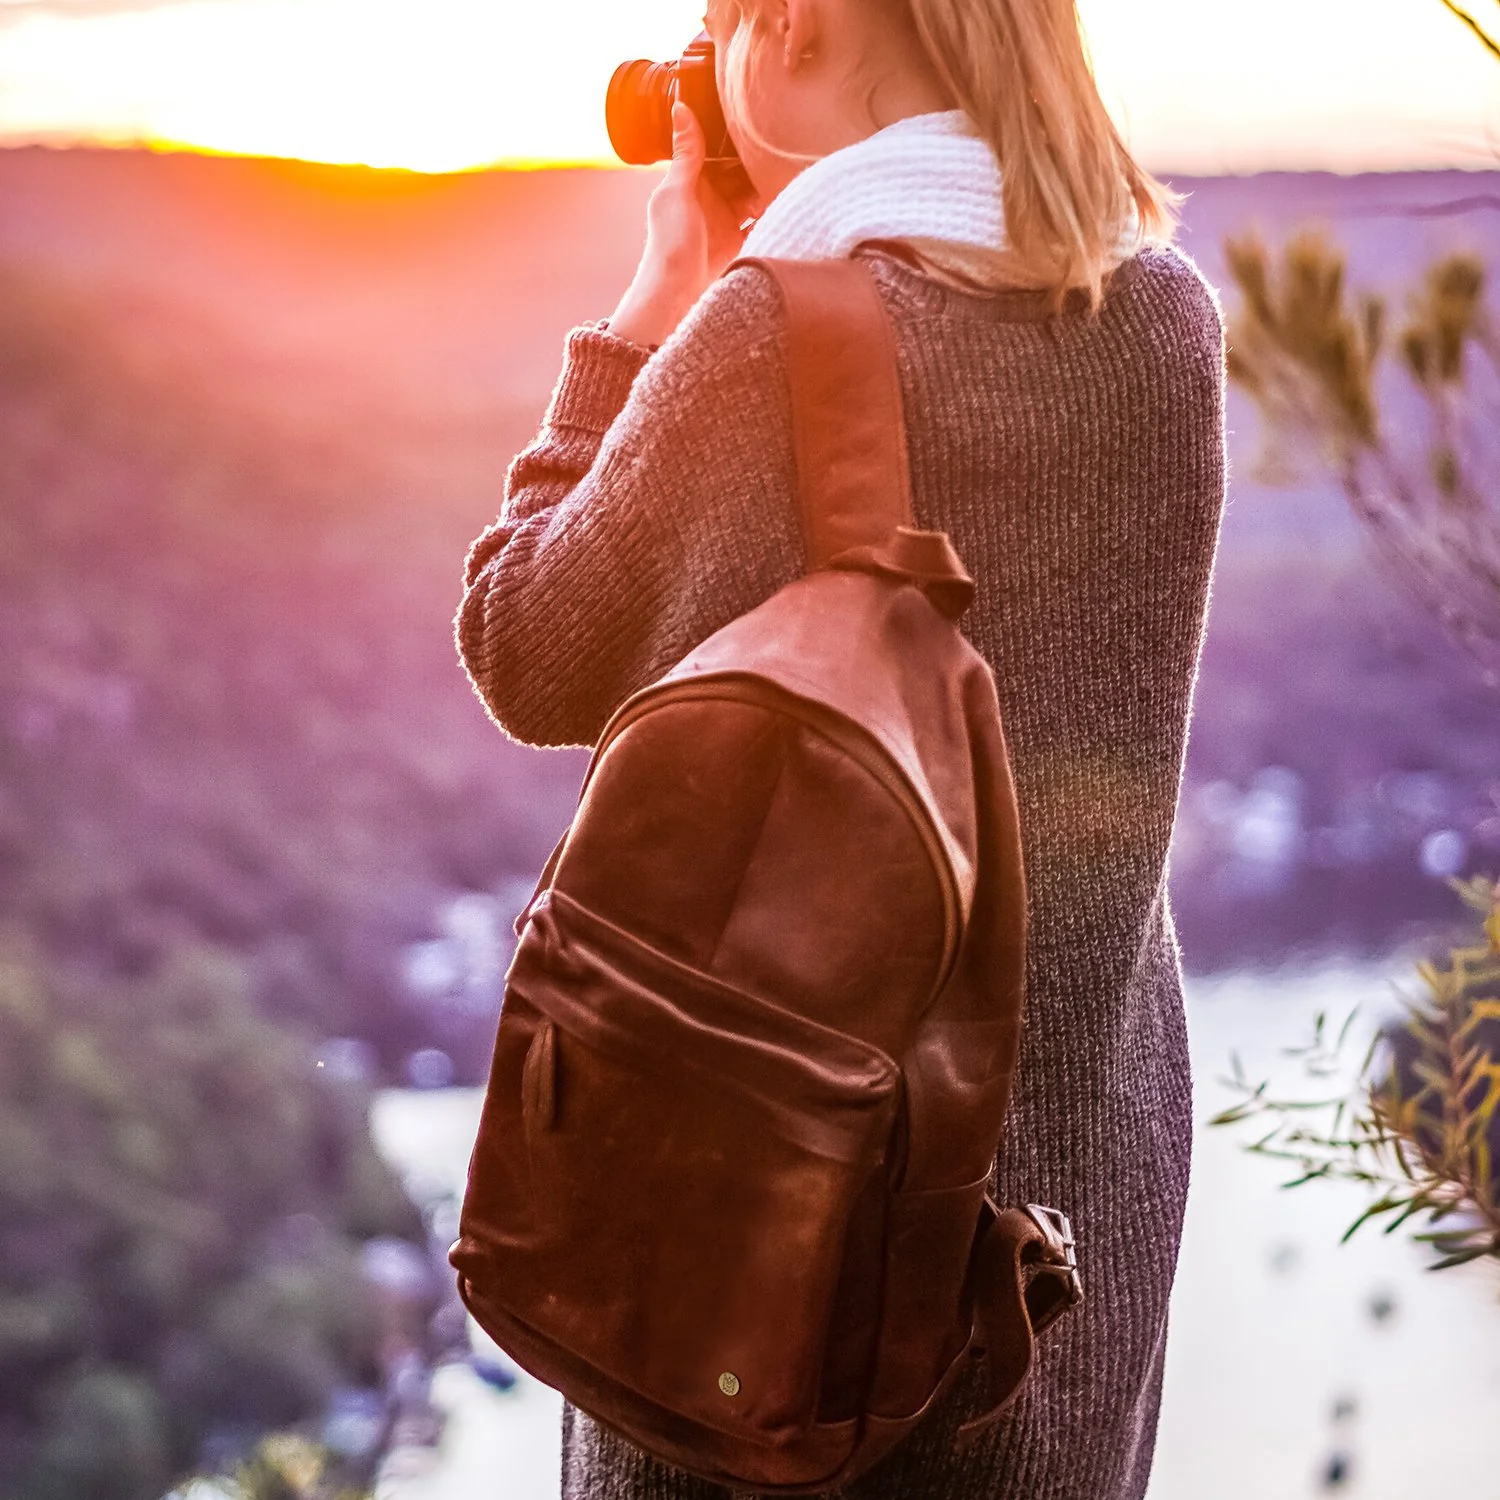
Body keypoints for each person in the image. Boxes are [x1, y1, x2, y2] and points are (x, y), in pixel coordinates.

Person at [454, 0, 1228, 1495]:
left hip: (776, 1257)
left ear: (793, 21)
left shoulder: (769, 336)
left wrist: (650, 311)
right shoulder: (1162, 323)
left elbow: (526, 649)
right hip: (1060, 1239)